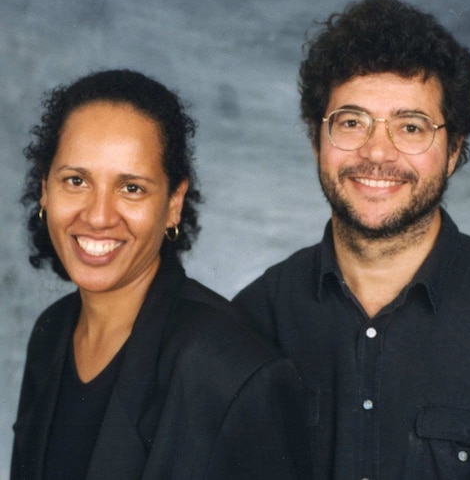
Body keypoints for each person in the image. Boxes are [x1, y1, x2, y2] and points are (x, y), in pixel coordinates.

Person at [231, 0, 470, 479]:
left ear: (454, 151)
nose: (377, 151)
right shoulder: (252, 321)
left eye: (410, 127)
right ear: (317, 138)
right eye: (351, 122)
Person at [12, 69, 310, 480]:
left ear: (173, 203)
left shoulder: (233, 373)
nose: (98, 216)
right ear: (45, 189)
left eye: (131, 187)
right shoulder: (51, 334)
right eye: (76, 180)